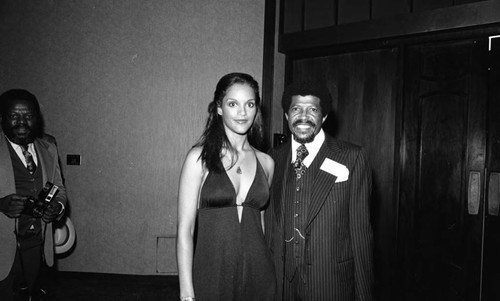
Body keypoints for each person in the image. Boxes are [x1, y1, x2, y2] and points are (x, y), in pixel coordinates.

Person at [264, 81, 374, 300]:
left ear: (324, 117)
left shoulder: (352, 157)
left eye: (312, 109)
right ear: (286, 116)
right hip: (282, 285)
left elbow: (361, 235)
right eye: (296, 109)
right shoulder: (272, 158)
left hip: (330, 283)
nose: (303, 116)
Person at [176, 73, 276, 301]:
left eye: (250, 104)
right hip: (211, 274)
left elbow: (260, 224)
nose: (242, 113)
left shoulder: (267, 163)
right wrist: (186, 293)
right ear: (219, 108)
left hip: (259, 274)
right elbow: (185, 230)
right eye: (233, 104)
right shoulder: (198, 158)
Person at [0, 89, 67, 301]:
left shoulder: (49, 147)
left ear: (37, 119)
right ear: (2, 118)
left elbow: (59, 189)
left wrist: (58, 208)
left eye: (28, 116)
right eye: (14, 116)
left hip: (38, 247)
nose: (22, 122)